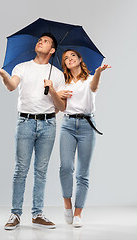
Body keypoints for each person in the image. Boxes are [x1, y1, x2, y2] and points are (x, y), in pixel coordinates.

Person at [0, 33, 66, 230]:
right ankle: (15, 214)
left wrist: (53, 90)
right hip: (25, 122)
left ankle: (37, 214)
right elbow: (11, 86)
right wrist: (3, 75)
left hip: (48, 125)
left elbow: (62, 107)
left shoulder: (57, 74)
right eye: (39, 40)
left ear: (52, 50)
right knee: (20, 170)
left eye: (45, 41)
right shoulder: (21, 67)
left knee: (41, 171)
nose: (40, 41)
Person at [58, 49, 111, 227]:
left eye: (73, 55)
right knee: (66, 167)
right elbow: (60, 107)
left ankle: (78, 213)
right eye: (66, 58)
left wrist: (98, 73)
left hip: (87, 126)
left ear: (80, 59)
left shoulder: (89, 79)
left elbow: (94, 87)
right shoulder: (63, 83)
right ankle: (67, 204)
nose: (69, 59)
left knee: (82, 173)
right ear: (64, 64)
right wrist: (57, 94)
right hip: (67, 125)